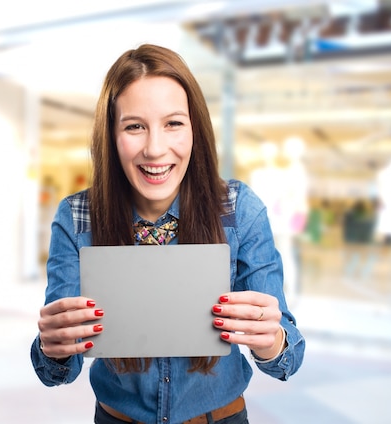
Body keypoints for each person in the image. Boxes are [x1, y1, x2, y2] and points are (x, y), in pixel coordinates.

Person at [31, 43, 305, 424]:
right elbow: (57, 370)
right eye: (134, 126)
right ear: (111, 134)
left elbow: (287, 360)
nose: (155, 149)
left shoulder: (240, 209)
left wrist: (271, 341)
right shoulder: (77, 217)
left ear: (195, 129)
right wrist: (55, 347)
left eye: (173, 123)